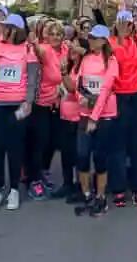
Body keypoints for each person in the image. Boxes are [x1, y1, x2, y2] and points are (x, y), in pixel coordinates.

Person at [0, 13, 39, 211]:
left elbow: (32, 79)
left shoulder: (28, 49)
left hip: (17, 104)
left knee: (15, 148)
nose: (2, 30)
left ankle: (14, 189)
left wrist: (28, 102)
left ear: (15, 30)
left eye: (6, 27)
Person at [73, 24, 120, 217]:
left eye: (94, 38)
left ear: (103, 41)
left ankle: (101, 197)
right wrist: (81, 98)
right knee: (82, 155)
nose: (90, 40)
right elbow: (79, 83)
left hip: (105, 115)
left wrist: (94, 116)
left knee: (100, 157)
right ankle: (86, 194)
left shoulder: (111, 61)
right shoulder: (86, 59)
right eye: (90, 37)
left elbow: (106, 90)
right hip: (85, 114)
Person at [106, 8, 137, 208]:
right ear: (116, 25)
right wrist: (121, 38)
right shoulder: (110, 43)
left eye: (128, 24)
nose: (125, 27)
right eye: (122, 23)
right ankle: (118, 187)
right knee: (118, 145)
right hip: (118, 97)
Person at [26, 19, 66, 200]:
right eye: (52, 34)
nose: (56, 37)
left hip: (57, 105)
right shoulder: (45, 49)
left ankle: (43, 172)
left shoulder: (64, 50)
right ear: (46, 36)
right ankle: (33, 180)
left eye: (59, 34)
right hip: (40, 104)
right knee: (39, 143)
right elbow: (39, 52)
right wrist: (35, 44)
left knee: (52, 143)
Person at [54, 35, 84, 201]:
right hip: (65, 116)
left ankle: (81, 186)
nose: (72, 50)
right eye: (71, 47)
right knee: (66, 154)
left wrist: (64, 73)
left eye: (76, 47)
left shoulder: (83, 68)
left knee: (79, 154)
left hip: (78, 117)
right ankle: (67, 184)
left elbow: (73, 88)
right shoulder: (71, 67)